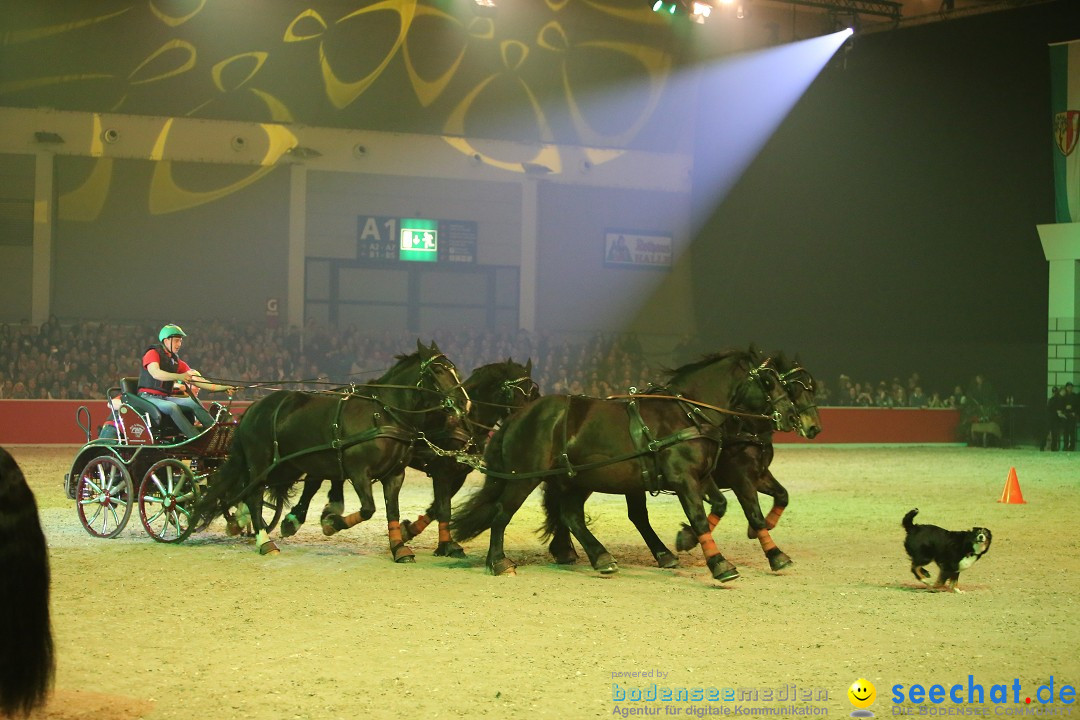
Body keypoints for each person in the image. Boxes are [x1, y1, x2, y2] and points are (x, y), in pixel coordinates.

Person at [137, 324, 236, 439]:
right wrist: (181, 376)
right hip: (148, 398)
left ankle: (216, 434)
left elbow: (197, 380)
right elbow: (156, 373)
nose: (179, 344)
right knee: (172, 407)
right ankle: (195, 438)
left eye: (180, 341)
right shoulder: (152, 353)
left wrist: (224, 387)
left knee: (193, 402)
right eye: (176, 341)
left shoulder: (175, 361)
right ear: (166, 340)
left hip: (164, 398)